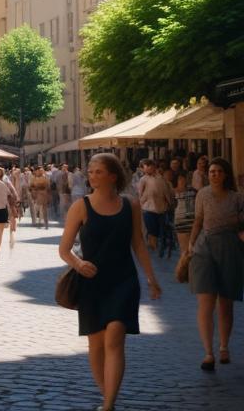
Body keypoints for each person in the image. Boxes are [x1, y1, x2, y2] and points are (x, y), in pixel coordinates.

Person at [59, 153, 160, 411]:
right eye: (90, 171)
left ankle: (108, 404)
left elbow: (138, 244)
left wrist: (151, 278)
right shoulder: (80, 206)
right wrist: (79, 264)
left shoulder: (131, 205)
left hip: (123, 279)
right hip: (92, 282)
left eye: (98, 172)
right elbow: (64, 250)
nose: (91, 176)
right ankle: (108, 397)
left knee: (115, 335)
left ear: (112, 176)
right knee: (96, 343)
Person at [186, 157, 244, 371]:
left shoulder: (237, 198)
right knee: (206, 301)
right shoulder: (202, 194)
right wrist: (191, 244)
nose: (215, 174)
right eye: (211, 172)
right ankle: (208, 352)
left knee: (225, 303)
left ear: (225, 174)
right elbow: (198, 220)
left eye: (218, 171)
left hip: (229, 248)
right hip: (205, 248)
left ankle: (224, 346)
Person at [135, 160, 171, 253]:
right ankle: (153, 250)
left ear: (153, 166)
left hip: (161, 209)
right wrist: (144, 201)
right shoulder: (143, 179)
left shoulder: (161, 178)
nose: (147, 168)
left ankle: (158, 249)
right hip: (148, 209)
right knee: (152, 231)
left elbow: (166, 192)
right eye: (145, 167)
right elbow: (140, 194)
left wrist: (169, 203)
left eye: (149, 166)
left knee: (160, 231)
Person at [171, 172, 196, 259]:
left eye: (183, 178)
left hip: (192, 221)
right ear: (176, 180)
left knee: (193, 248)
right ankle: (184, 269)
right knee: (184, 249)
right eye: (180, 179)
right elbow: (170, 205)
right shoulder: (173, 191)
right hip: (180, 221)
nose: (182, 180)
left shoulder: (192, 190)